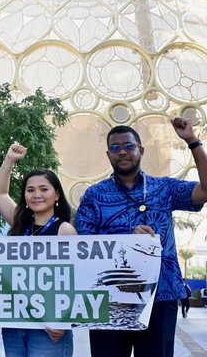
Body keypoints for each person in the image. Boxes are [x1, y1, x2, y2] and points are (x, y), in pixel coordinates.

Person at [74, 118, 207, 357]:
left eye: (128, 146)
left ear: (140, 150)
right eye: (115, 148)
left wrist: (192, 141)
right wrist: (128, 239)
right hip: (109, 297)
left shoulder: (163, 188)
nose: (122, 151)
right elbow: (82, 244)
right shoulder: (94, 195)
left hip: (161, 293)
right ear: (108, 154)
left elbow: (205, 191)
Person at [0, 143, 76, 357]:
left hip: (49, 326)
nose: (36, 194)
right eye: (30, 190)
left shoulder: (64, 230)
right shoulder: (20, 222)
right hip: (15, 324)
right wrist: (9, 160)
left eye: (44, 189)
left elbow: (74, 280)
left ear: (56, 195)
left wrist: (62, 320)